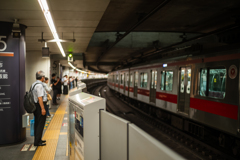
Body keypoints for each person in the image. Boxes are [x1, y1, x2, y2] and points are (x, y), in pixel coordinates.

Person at [32, 70, 47, 146]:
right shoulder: (39, 85)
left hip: (36, 106)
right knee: (40, 124)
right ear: (42, 77)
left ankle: (38, 139)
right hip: (39, 106)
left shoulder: (34, 84)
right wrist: (43, 108)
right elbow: (40, 98)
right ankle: (37, 142)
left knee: (37, 123)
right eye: (44, 77)